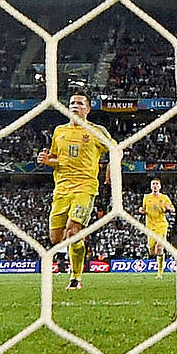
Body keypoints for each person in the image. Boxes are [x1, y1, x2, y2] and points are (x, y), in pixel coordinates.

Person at [36, 92, 114, 291]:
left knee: (72, 230)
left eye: (80, 103)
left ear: (87, 109)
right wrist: (46, 160)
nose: (75, 106)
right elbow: (55, 158)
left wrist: (110, 168)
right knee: (56, 238)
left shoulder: (96, 131)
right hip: (61, 189)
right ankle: (76, 250)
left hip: (85, 187)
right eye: (72, 103)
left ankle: (75, 277)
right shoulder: (59, 131)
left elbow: (116, 150)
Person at [141, 178, 176, 276]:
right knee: (152, 251)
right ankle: (160, 259)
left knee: (159, 247)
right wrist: (141, 210)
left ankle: (160, 272)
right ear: (151, 186)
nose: (155, 186)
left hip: (161, 225)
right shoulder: (147, 197)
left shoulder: (164, 198)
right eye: (153, 184)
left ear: (160, 186)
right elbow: (144, 209)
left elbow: (173, 209)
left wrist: (169, 208)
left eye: (157, 184)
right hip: (150, 227)